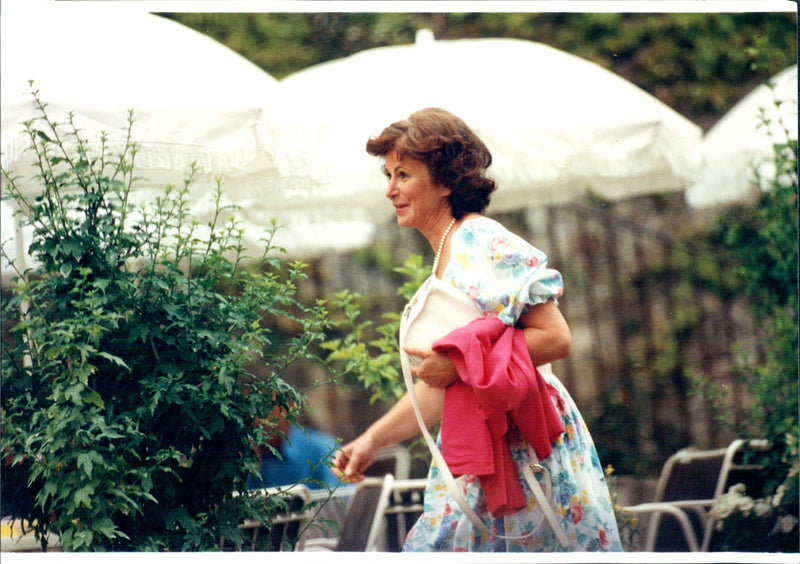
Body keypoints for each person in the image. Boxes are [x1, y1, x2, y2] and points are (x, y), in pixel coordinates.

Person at [332, 108, 622, 552]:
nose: (390, 189)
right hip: (482, 447)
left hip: (525, 449)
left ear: (446, 181)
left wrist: (459, 365)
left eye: (404, 174)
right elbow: (444, 384)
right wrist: (372, 440)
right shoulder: (447, 254)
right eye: (388, 174)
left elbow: (556, 337)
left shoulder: (480, 240)